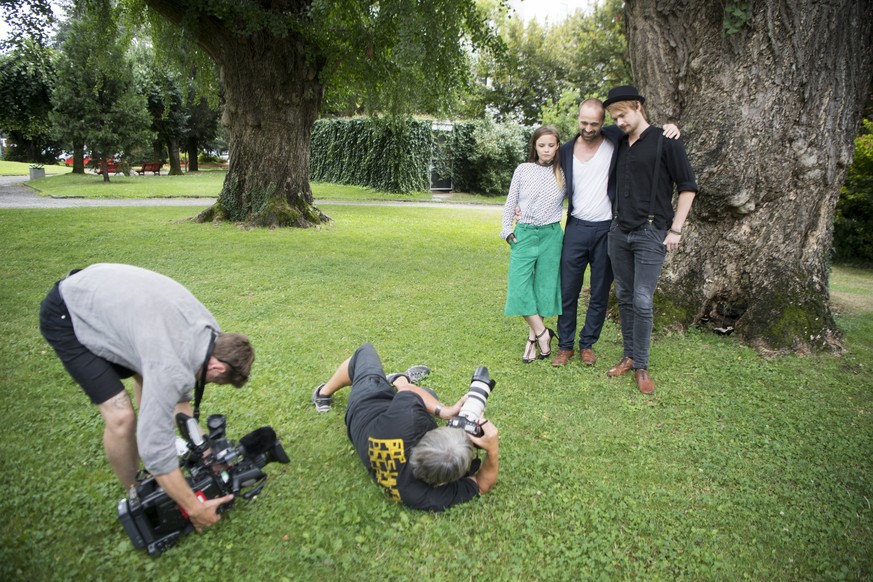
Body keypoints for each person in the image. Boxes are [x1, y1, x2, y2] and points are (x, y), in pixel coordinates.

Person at [39, 263, 255, 532]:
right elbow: (155, 450)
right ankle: (138, 494)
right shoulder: (171, 364)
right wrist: (194, 508)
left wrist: (209, 455)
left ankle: (153, 483)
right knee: (122, 418)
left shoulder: (209, 332)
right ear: (218, 367)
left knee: (150, 377)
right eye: (215, 381)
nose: (209, 383)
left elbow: (179, 404)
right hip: (70, 312)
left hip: (106, 298)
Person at [553, 99, 681, 368]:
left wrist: (669, 128)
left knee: (600, 292)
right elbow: (544, 173)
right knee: (568, 290)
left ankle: (587, 343)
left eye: (595, 123)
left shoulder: (615, 142)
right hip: (576, 226)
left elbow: (642, 130)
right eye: (583, 122)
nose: (588, 128)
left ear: (604, 123)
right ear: (578, 118)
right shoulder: (564, 150)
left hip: (607, 229)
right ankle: (565, 346)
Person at [310, 343, 499, 511]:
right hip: (372, 416)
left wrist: (445, 411)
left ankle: (326, 392)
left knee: (365, 353)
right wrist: (492, 450)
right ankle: (395, 382)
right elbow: (482, 485)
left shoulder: (407, 422)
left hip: (365, 408)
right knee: (425, 394)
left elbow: (407, 391)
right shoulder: (418, 495)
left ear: (422, 441)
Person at [603, 85, 698, 394]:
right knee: (626, 296)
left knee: (643, 299)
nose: (618, 122)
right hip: (619, 232)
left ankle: (641, 365)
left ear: (639, 108)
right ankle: (629, 356)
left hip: (651, 231)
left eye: (623, 115)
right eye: (614, 117)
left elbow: (688, 187)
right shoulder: (618, 140)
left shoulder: (666, 140)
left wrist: (676, 229)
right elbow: (590, 128)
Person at [501, 125, 565, 363]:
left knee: (544, 289)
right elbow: (511, 201)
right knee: (519, 288)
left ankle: (531, 341)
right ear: (534, 147)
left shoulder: (564, 171)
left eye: (551, 145)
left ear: (558, 146)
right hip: (524, 234)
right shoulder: (523, 169)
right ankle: (543, 333)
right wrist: (507, 230)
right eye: (541, 145)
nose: (546, 150)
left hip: (551, 236)